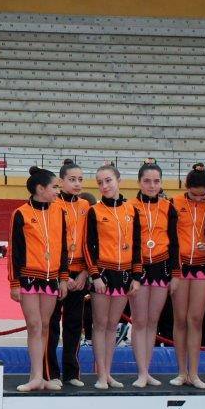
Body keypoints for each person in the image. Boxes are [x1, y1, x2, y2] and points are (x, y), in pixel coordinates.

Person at [7, 167, 69, 392]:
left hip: (51, 278)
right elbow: (15, 250)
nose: (57, 191)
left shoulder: (59, 211)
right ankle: (34, 375)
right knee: (34, 326)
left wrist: (63, 278)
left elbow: (63, 248)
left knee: (45, 327)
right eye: (54, 187)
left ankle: (42, 376)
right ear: (40, 188)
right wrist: (14, 283)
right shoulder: (21, 213)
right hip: (29, 279)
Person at [85, 162, 140, 390]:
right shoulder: (94, 211)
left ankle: (109, 374)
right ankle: (101, 375)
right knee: (99, 325)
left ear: (119, 181)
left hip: (124, 276)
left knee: (112, 326)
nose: (104, 186)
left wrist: (136, 276)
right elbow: (87, 246)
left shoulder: (131, 210)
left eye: (108, 181)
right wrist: (95, 275)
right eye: (100, 183)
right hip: (103, 276)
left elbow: (137, 246)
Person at [130, 160, 178, 388]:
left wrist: (175, 274)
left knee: (152, 321)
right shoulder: (130, 207)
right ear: (139, 182)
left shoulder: (168, 207)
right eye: (147, 181)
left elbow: (175, 242)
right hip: (138, 269)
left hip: (161, 267)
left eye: (156, 181)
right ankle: (140, 371)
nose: (151, 185)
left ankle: (147, 370)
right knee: (139, 321)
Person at [170, 163, 205, 388]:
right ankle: (181, 372)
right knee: (180, 319)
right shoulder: (175, 203)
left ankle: (195, 373)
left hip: (203, 266)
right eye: (194, 195)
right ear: (186, 188)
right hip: (180, 266)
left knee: (195, 319)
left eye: (202, 195)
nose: (198, 199)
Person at [48, 159, 91, 387]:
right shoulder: (53, 205)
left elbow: (90, 243)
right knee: (53, 325)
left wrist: (85, 272)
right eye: (72, 180)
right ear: (61, 181)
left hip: (80, 273)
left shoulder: (86, 206)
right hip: (57, 274)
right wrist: (61, 277)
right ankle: (52, 373)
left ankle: (72, 373)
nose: (77, 184)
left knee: (75, 325)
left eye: (80, 180)